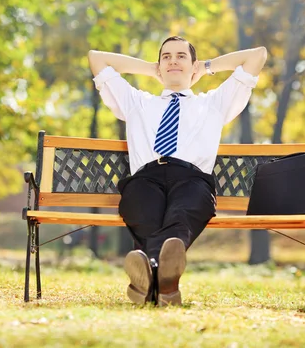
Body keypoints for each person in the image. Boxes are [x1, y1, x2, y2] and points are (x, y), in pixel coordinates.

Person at [88, 37, 267, 306]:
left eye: (181, 56)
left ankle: (148, 274)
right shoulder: (137, 102)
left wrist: (205, 67)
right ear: (159, 65)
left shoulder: (215, 103)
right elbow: (96, 57)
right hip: (146, 179)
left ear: (192, 64)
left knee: (184, 213)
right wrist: (151, 69)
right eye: (166, 56)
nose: (173, 60)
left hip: (192, 180)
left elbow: (257, 55)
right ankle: (166, 284)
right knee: (140, 206)